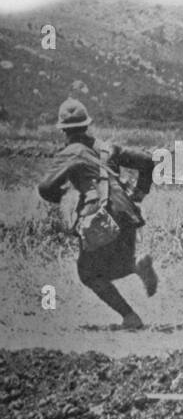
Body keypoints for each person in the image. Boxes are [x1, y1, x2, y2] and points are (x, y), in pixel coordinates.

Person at [36, 97, 158, 328]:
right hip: (127, 212)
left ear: (63, 130)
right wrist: (140, 192)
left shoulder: (70, 152)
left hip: (98, 214)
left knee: (89, 274)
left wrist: (62, 195)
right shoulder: (106, 147)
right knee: (118, 263)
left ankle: (130, 316)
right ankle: (136, 266)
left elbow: (45, 187)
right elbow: (149, 161)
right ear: (86, 125)